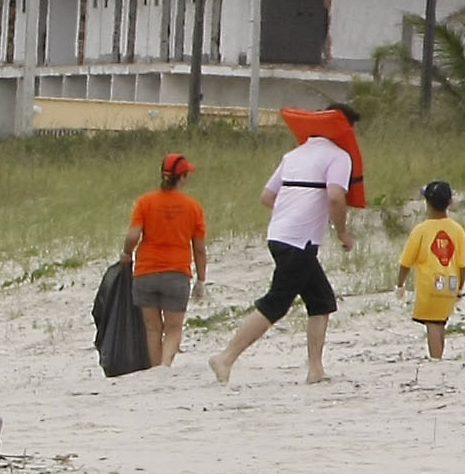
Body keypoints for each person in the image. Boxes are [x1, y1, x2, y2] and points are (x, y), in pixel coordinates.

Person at [211, 113, 358, 386]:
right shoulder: (339, 156)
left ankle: (316, 369)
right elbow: (336, 197)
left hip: (279, 235)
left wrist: (292, 210)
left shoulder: (294, 155)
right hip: (300, 241)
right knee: (276, 303)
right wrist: (342, 233)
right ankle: (226, 357)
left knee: (321, 300)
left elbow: (267, 196)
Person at [117, 152, 210, 370]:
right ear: (182, 178)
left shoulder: (145, 202)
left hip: (145, 273)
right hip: (177, 273)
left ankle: (155, 368)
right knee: (173, 328)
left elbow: (133, 236)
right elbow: (199, 248)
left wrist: (127, 254)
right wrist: (201, 280)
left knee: (152, 329)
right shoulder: (193, 207)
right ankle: (165, 365)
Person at [399, 179, 465, 361]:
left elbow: (406, 262)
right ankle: (438, 355)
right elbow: (464, 265)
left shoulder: (421, 230)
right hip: (451, 284)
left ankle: (436, 359)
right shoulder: (457, 229)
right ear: (450, 201)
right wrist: (459, 288)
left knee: (433, 324)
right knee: (440, 322)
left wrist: (400, 284)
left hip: (430, 286)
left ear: (427, 203)